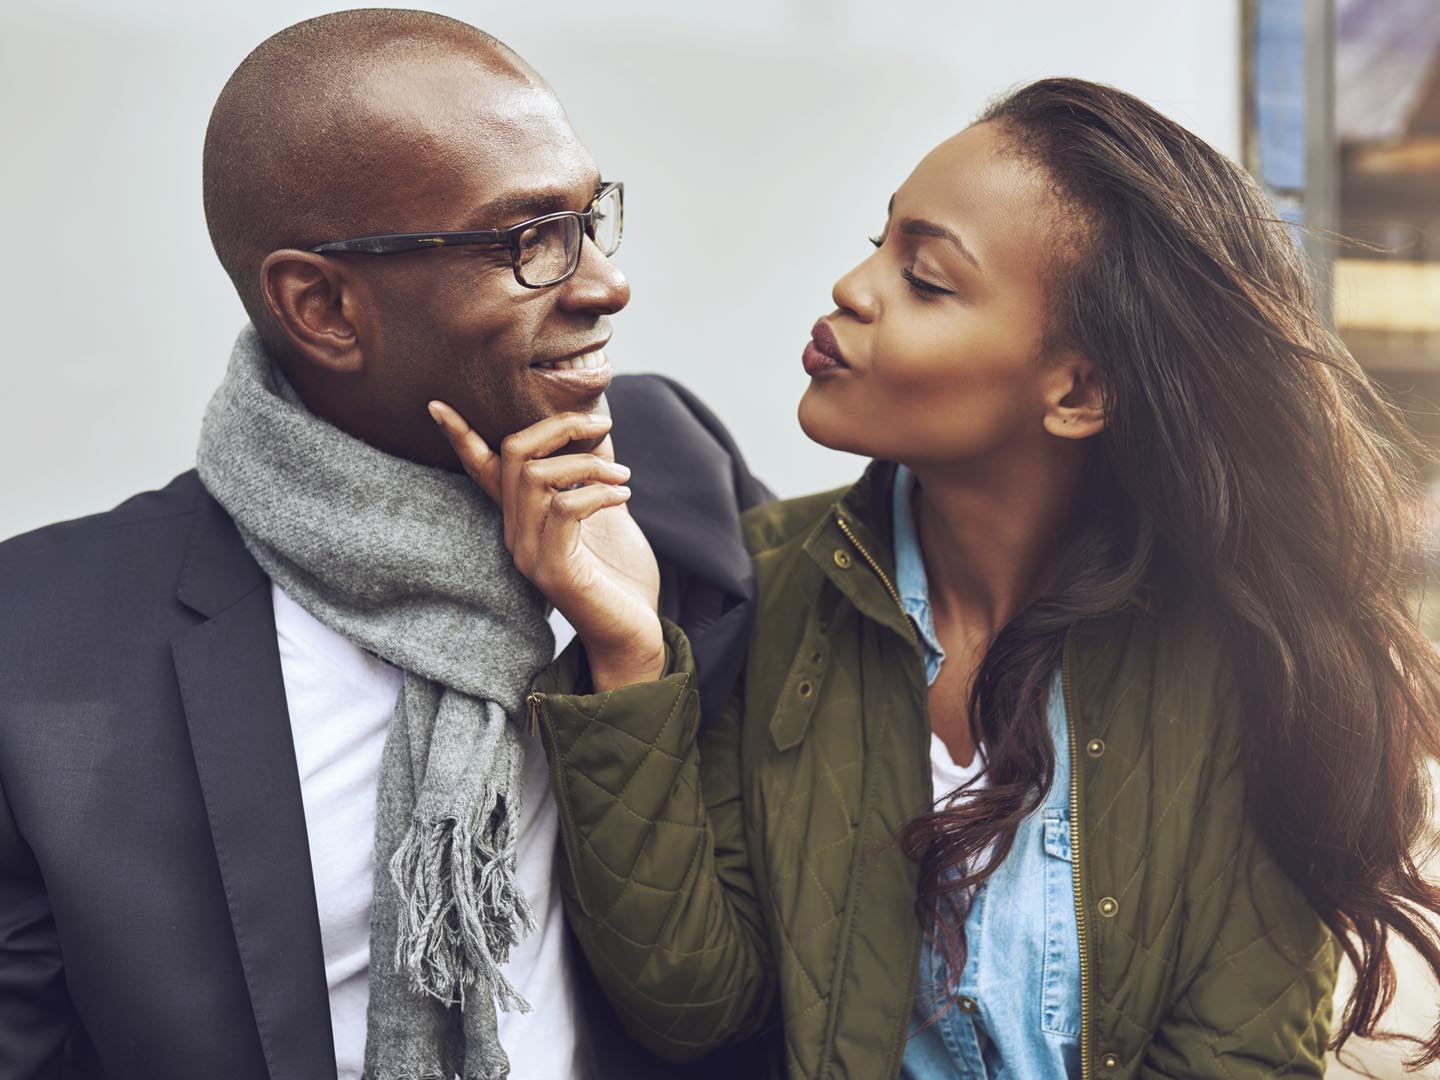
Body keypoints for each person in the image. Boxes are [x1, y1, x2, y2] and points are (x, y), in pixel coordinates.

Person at [445, 78, 1440, 1078]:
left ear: (1080, 391)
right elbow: (696, 1004)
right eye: (879, 242)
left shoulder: (1236, 662)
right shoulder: (767, 592)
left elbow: (1244, 1056)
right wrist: (626, 656)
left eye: (925, 277)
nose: (853, 286)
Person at [0, 10, 769, 1080]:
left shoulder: (672, 480)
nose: (603, 284)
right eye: (527, 240)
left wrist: (626, 662)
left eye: (592, 218)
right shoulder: (40, 652)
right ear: (321, 307)